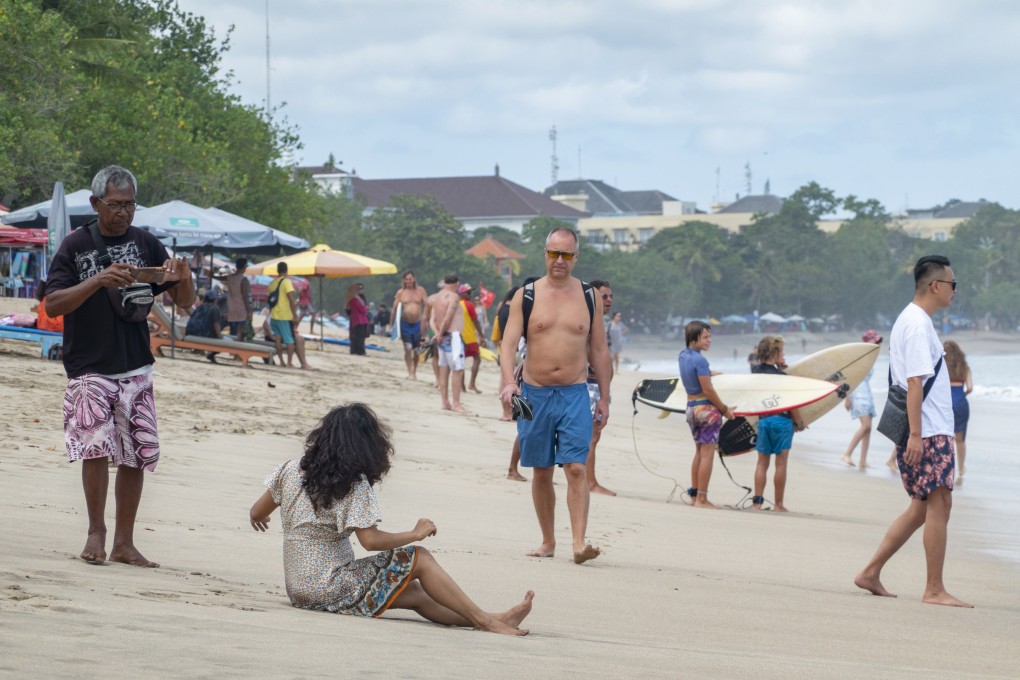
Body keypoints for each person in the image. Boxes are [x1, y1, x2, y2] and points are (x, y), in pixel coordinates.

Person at [249, 403, 534, 635]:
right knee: (420, 558)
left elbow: (256, 513)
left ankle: (493, 618)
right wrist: (415, 533)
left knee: (415, 593)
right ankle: (487, 622)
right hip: (331, 584)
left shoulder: (290, 470)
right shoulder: (352, 484)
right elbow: (371, 541)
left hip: (299, 589)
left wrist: (272, 520)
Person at [45, 165, 195, 567]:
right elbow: (53, 303)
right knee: (95, 448)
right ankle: (97, 532)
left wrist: (183, 275)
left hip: (135, 366)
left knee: (136, 454)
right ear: (95, 204)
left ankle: (125, 542)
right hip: (88, 365)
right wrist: (98, 280)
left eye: (130, 205)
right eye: (115, 205)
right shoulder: (75, 246)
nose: (123, 213)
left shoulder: (146, 243)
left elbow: (183, 301)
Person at [854, 255, 971, 607]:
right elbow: (914, 382)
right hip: (929, 430)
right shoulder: (918, 325)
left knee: (921, 508)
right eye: (953, 284)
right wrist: (917, 435)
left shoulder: (910, 319)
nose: (954, 290)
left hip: (926, 428)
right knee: (939, 503)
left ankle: (870, 572)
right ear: (935, 285)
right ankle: (934, 589)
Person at [498, 228, 610, 564]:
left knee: (576, 467)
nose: (559, 261)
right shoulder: (526, 295)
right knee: (542, 470)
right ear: (545, 253)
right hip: (533, 394)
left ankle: (578, 543)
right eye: (553, 254)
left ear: (576, 257)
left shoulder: (589, 297)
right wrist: (509, 382)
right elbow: (507, 344)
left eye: (566, 255)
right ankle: (548, 541)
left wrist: (604, 397)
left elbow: (600, 350)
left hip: (575, 392)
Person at [679, 320, 733, 509]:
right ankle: (702, 499)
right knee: (707, 454)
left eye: (710, 336)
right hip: (707, 411)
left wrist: (713, 373)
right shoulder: (701, 360)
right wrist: (725, 409)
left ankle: (694, 494)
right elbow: (708, 390)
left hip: (691, 408)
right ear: (693, 339)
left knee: (699, 452)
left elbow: (698, 374)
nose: (710, 340)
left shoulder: (684, 355)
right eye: (705, 337)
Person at [750, 336, 804, 511]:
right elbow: (791, 403)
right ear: (774, 353)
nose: (784, 354)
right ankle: (779, 505)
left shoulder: (755, 372)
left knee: (761, 463)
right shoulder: (782, 377)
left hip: (764, 421)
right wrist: (799, 422)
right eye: (781, 351)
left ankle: (757, 503)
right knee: (780, 464)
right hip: (782, 422)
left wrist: (779, 367)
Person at [585, 279, 616, 497]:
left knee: (593, 435)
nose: (609, 300)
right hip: (590, 385)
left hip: (597, 386)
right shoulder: (589, 321)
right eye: (604, 296)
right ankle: (590, 482)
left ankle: (588, 479)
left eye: (610, 296)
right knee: (591, 436)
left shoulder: (598, 322)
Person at [841, 330, 883, 468]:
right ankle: (847, 453)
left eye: (877, 342)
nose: (877, 345)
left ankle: (863, 460)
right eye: (874, 342)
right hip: (858, 393)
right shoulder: (860, 356)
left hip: (866, 392)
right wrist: (847, 398)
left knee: (868, 428)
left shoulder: (870, 357)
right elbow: (848, 376)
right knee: (866, 426)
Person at [430, 274, 467, 412]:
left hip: (442, 336)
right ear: (457, 284)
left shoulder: (436, 297)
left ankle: (445, 402)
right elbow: (448, 317)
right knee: (457, 370)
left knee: (443, 370)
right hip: (452, 336)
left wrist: (437, 333)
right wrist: (440, 334)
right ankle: (456, 403)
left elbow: (432, 320)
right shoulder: (454, 297)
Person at [943, 340, 972, 484]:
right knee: (960, 440)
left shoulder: (943, 367)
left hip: (946, 403)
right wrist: (962, 395)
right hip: (961, 402)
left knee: (946, 438)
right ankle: (961, 469)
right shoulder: (965, 367)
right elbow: (970, 387)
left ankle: (949, 468)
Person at [392, 271, 429, 380]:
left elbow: (427, 306)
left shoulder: (421, 291)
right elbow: (394, 309)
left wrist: (427, 320)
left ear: (414, 279)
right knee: (407, 349)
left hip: (418, 324)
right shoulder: (400, 292)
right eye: (406, 279)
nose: (408, 281)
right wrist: (392, 325)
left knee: (417, 350)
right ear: (404, 280)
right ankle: (409, 372)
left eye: (410, 279)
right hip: (405, 324)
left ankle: (414, 371)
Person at [491, 286, 520, 422]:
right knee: (509, 382)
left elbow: (497, 334)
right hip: (512, 350)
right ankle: (508, 413)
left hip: (503, 349)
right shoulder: (512, 311)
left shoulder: (501, 309)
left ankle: (506, 412)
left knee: (504, 380)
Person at [213, 258, 251, 341]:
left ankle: (233, 351)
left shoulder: (229, 278)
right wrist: (249, 311)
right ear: (244, 267)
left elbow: (214, 275)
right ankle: (236, 353)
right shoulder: (244, 280)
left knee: (233, 333)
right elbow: (245, 297)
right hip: (241, 310)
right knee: (240, 335)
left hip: (231, 309)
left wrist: (219, 270)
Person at [458, 283, 486, 394]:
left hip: (458, 337)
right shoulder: (468, 305)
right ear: (462, 294)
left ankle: (462, 387)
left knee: (461, 362)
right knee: (477, 359)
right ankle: (471, 384)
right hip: (469, 337)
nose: (470, 294)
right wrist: (482, 336)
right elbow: (476, 321)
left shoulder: (455, 304)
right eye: (468, 292)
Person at [185, 290, 223, 363]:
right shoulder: (214, 308)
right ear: (214, 300)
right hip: (203, 334)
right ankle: (212, 354)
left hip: (191, 332)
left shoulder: (200, 307)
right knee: (223, 343)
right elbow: (216, 324)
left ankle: (211, 355)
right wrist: (220, 336)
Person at [345, 283, 369, 356]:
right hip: (359, 320)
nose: (361, 290)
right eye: (359, 289)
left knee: (358, 336)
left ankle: (357, 350)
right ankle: (359, 351)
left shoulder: (357, 299)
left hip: (358, 320)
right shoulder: (355, 300)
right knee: (359, 337)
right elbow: (363, 310)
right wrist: (366, 308)